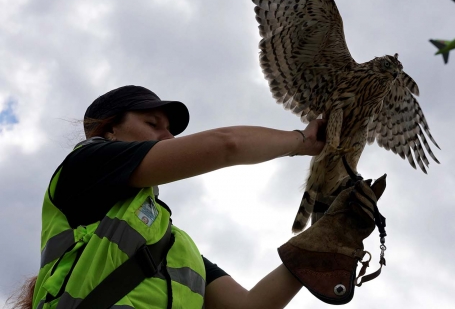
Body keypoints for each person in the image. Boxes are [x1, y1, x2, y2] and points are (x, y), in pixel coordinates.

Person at [11, 85, 327, 309]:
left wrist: (325, 238)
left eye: (170, 131)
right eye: (153, 124)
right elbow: (227, 144)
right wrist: (302, 140)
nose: (169, 136)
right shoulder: (86, 165)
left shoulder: (176, 246)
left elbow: (250, 307)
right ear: (109, 131)